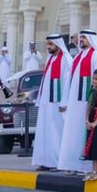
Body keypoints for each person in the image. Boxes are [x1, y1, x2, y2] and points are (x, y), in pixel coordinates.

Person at [57, 30, 97, 175]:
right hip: (74, 102)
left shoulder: (96, 55)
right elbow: (69, 80)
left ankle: (85, 167)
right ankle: (73, 164)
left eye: (84, 37)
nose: (81, 39)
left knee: (85, 133)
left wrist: (96, 99)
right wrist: (65, 101)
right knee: (73, 133)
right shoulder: (78, 57)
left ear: (91, 39)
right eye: (81, 37)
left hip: (88, 101)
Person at [32, 34, 71, 171]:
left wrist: (64, 102)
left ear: (58, 44)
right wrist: (40, 100)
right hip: (46, 103)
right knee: (45, 133)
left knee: (56, 133)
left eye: (50, 44)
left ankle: (58, 162)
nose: (48, 47)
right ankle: (46, 161)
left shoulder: (66, 59)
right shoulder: (50, 59)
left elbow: (67, 82)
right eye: (47, 44)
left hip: (57, 103)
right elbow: (45, 81)